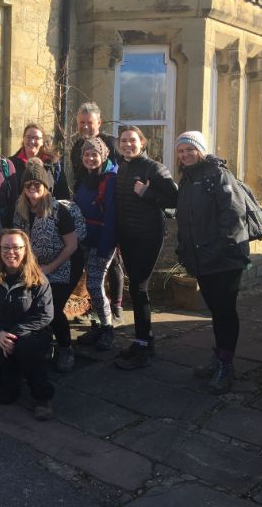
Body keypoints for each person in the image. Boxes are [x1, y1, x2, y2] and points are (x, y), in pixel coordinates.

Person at [174, 131, 250, 394]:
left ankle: (226, 367)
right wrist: (184, 250)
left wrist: (217, 250)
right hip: (203, 259)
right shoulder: (187, 179)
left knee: (225, 312)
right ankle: (219, 358)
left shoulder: (217, 175)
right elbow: (186, 221)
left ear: (201, 150)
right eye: (181, 151)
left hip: (225, 259)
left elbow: (234, 215)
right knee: (216, 312)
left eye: (190, 150)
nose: (185, 155)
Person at [0, 228, 56, 420]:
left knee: (25, 347)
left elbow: (44, 316)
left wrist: (13, 334)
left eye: (16, 247)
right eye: (5, 247)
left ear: (25, 250)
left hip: (29, 337)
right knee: (5, 396)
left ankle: (42, 395)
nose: (11, 252)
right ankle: (7, 372)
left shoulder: (38, 278)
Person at [113, 126, 178, 370]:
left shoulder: (155, 168)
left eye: (132, 140)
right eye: (124, 141)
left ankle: (144, 344)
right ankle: (143, 341)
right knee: (137, 289)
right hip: (128, 236)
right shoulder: (122, 167)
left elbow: (174, 199)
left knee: (139, 288)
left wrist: (147, 193)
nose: (128, 144)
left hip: (148, 236)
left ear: (142, 143)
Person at [13, 158, 85, 373]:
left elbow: (72, 245)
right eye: (28, 185)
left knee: (52, 308)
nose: (33, 188)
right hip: (36, 267)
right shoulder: (20, 212)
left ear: (46, 187)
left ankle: (65, 349)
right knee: (32, 306)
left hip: (65, 265)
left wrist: (51, 268)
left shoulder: (57, 211)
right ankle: (44, 344)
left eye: (37, 184)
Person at [69, 102, 124, 320]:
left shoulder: (111, 143)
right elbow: (79, 175)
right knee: (94, 277)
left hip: (104, 218)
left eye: (89, 123)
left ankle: (115, 309)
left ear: (98, 123)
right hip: (87, 212)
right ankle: (100, 311)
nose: (85, 127)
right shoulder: (77, 147)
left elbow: (121, 172)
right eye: (81, 123)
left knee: (113, 265)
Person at [72, 137, 118, 351]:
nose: (90, 158)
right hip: (84, 239)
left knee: (94, 284)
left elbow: (112, 216)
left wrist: (104, 247)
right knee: (92, 285)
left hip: (101, 241)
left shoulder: (110, 180)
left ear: (103, 156)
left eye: (94, 154)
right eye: (86, 154)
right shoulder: (84, 177)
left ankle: (108, 328)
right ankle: (100, 325)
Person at [9, 123, 70, 200]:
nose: (32, 141)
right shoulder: (11, 164)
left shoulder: (53, 164)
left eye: (36, 138)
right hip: (19, 210)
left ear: (42, 141)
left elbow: (63, 194)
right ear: (23, 139)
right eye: (28, 137)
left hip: (47, 209)